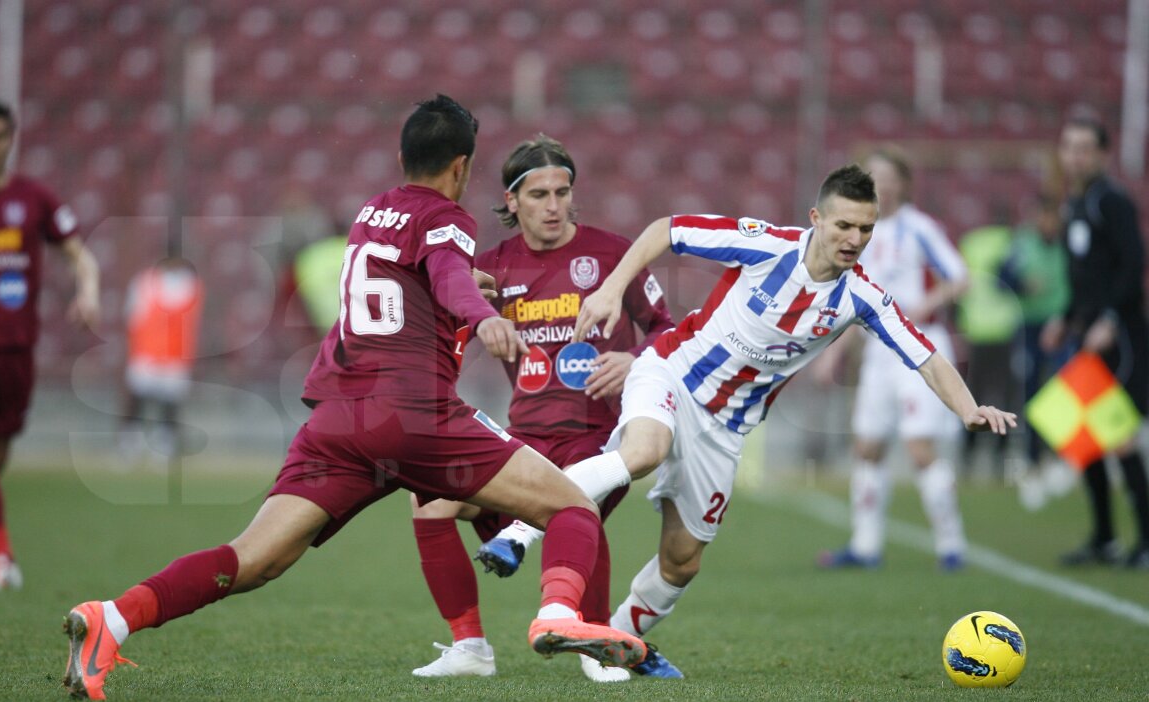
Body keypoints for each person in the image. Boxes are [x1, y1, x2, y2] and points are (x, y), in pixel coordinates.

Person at [61, 95, 646, 701]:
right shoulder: (449, 219)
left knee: (253, 559)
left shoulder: (371, 213)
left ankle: (115, 617)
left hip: (339, 419)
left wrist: (457, 288)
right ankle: (556, 615)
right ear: (462, 168)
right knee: (573, 506)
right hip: (415, 414)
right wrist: (480, 312)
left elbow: (419, 277)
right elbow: (446, 273)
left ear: (401, 157)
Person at [482, 165, 1016, 670]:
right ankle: (518, 534)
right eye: (844, 225)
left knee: (681, 562)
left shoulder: (861, 297)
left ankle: (619, 639)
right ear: (816, 219)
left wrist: (969, 409)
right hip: (672, 373)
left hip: (725, 429)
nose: (854, 239)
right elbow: (667, 229)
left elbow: (924, 355)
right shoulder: (766, 245)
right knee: (643, 451)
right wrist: (610, 289)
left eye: (865, 229)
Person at [408, 135, 676, 682]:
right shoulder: (490, 269)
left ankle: (592, 640)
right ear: (512, 202)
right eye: (538, 194)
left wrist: (635, 360)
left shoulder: (611, 256)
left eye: (563, 191)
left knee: (578, 502)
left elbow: (669, 331)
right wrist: (479, 323)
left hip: (595, 436)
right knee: (430, 499)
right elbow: (436, 338)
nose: (554, 205)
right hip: (523, 438)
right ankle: (470, 649)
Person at [0, 98, 100, 590]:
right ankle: (2, 559)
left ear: (11, 140)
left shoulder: (34, 198)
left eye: (0, 136)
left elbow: (81, 255)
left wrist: (88, 291)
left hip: (16, 349)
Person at [816, 148, 971, 571]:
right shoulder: (859, 232)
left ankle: (951, 545)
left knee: (920, 448)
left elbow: (960, 277)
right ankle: (866, 547)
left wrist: (923, 306)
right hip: (879, 351)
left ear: (903, 183)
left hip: (920, 345)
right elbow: (855, 300)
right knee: (867, 446)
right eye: (874, 176)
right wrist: (835, 353)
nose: (881, 184)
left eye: (888, 176)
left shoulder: (920, 229)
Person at [1042, 117, 1149, 568]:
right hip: (1086, 334)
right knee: (1079, 432)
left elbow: (1132, 265)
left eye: (1085, 147)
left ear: (1102, 154)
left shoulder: (1112, 201)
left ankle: (1144, 541)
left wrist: (1107, 318)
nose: (1076, 155)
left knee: (1117, 436)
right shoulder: (1075, 204)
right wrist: (1065, 318)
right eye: (1069, 146)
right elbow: (1083, 276)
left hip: (1119, 336)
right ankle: (1104, 538)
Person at [997, 192, 1072, 510]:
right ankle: (1032, 465)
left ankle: (1061, 460)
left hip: (1062, 327)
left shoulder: (1070, 245)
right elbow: (1001, 280)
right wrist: (1022, 285)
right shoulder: (1022, 244)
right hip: (1029, 328)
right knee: (1031, 396)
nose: (1047, 222)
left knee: (1062, 393)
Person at [119, 256, 205, 464]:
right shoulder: (145, 283)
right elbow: (132, 317)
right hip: (147, 353)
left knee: (169, 404)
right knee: (137, 399)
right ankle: (131, 442)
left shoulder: (190, 287)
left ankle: (163, 445)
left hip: (174, 357)